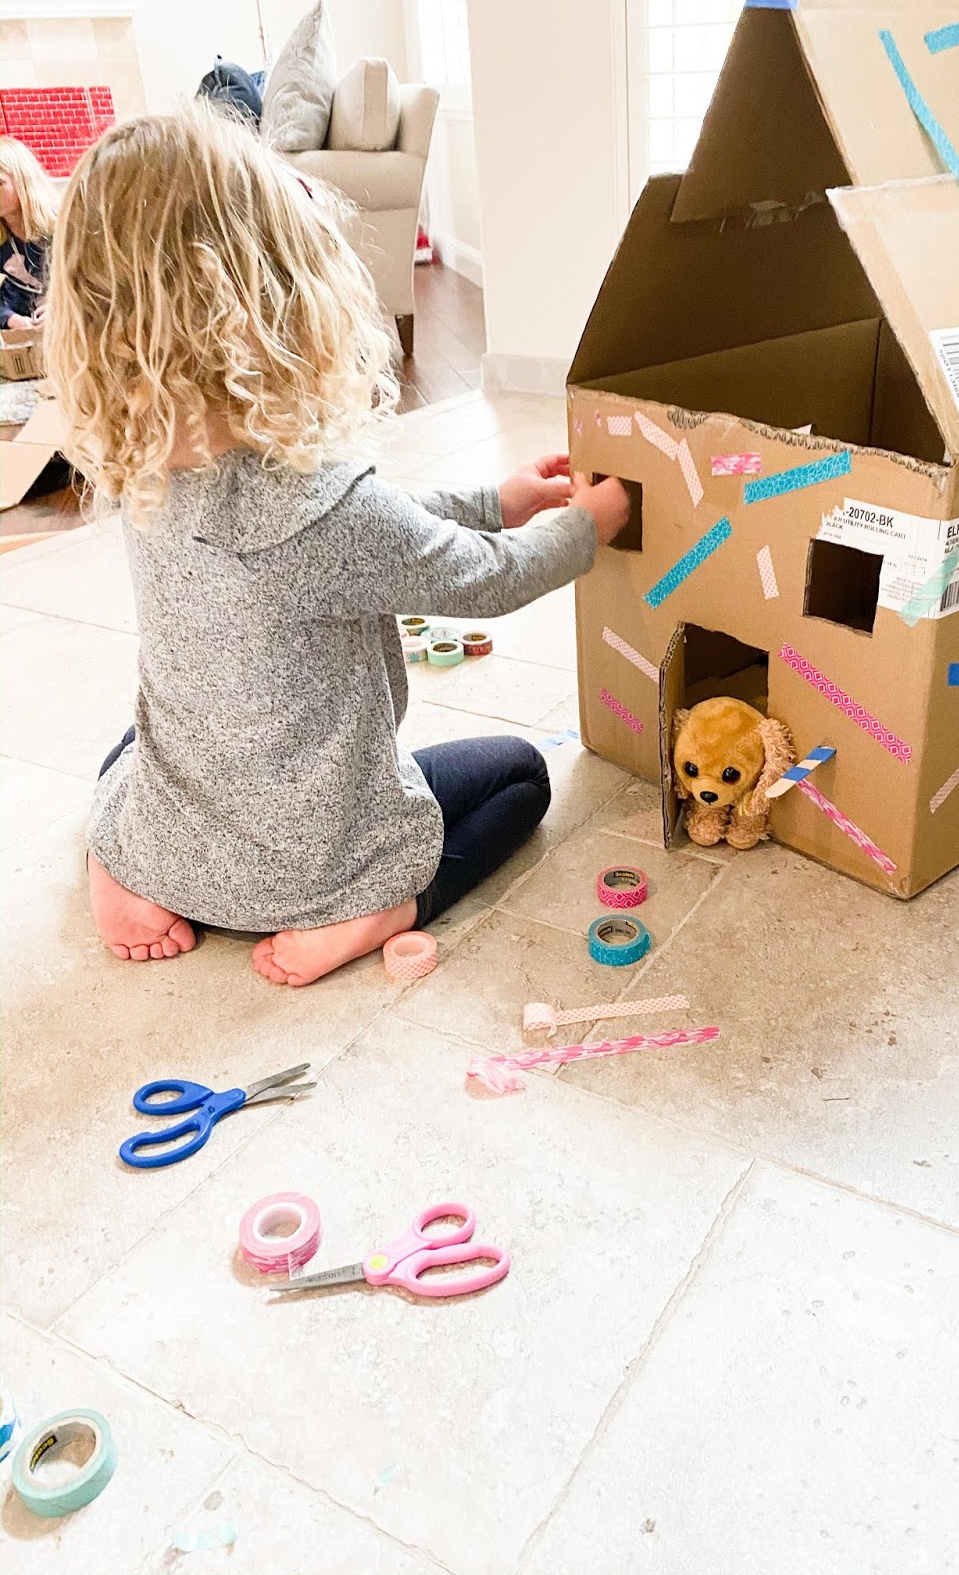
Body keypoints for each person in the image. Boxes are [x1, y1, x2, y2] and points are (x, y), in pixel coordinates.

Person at [44, 103, 630, 986]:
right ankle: (379, 908)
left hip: (186, 831)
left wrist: (493, 498)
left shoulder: (141, 469)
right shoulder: (326, 510)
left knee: (129, 751)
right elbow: (488, 578)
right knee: (517, 779)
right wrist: (587, 527)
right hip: (315, 862)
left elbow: (373, 529)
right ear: (272, 289)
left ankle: (123, 861)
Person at [0, 135, 55, 331]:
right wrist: (10, 318)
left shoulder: (62, 229)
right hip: (21, 340)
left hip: (70, 333)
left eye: (0, 183)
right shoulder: (3, 241)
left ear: (23, 181)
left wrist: (60, 308)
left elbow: (93, 286)